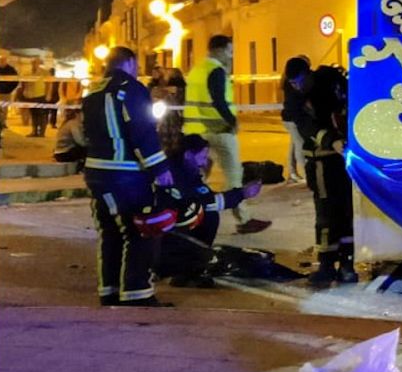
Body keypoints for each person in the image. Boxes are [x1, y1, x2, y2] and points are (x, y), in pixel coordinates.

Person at [82, 46, 175, 307]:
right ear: (131, 63)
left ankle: (109, 290)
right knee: (140, 230)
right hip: (124, 173)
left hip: (97, 173)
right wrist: (160, 168)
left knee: (110, 232)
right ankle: (137, 293)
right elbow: (142, 131)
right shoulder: (131, 88)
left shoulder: (93, 91)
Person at [183, 35, 269, 234]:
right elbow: (218, 101)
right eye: (229, 51)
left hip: (196, 133)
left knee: (197, 176)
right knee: (233, 174)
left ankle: (187, 212)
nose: (231, 56)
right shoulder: (216, 71)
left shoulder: (197, 70)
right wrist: (232, 121)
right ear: (218, 50)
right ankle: (243, 219)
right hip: (219, 131)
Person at [155, 134, 264, 287]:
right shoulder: (176, 174)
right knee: (207, 216)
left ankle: (187, 267)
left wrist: (239, 193)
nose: (205, 161)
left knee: (208, 215)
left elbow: (206, 196)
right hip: (166, 234)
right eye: (203, 156)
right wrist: (242, 194)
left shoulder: (187, 171)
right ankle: (183, 268)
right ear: (188, 155)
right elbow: (204, 202)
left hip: (169, 230)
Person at [301, 65, 356, 287]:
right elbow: (312, 128)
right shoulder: (312, 100)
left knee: (343, 214)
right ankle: (331, 265)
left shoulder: (334, 93)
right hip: (324, 164)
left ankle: (342, 264)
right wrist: (332, 140)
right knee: (329, 215)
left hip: (339, 164)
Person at [280, 56, 311, 185]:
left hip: (288, 118)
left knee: (294, 145)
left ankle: (292, 172)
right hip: (292, 119)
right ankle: (306, 175)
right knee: (300, 146)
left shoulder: (286, 80)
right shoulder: (294, 84)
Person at [52, 100, 87, 169]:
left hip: (60, 152)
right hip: (64, 153)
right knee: (87, 150)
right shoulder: (74, 124)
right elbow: (80, 141)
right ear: (78, 114)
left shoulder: (68, 122)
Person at [0, 54, 17, 150]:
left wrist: (9, 89)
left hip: (6, 93)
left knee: (3, 112)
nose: (1, 61)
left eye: (3, 60)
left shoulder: (11, 70)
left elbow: (15, 81)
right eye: (0, 60)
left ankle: (1, 127)